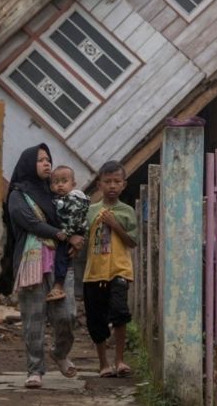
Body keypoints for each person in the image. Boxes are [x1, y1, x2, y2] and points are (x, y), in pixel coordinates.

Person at [6, 144, 85, 389]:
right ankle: (35, 369)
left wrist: (77, 238)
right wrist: (63, 235)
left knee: (67, 315)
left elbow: (74, 219)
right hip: (31, 261)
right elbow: (29, 222)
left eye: (48, 159)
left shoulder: (56, 193)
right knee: (34, 319)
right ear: (29, 164)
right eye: (40, 160)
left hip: (60, 264)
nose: (47, 163)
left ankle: (60, 353)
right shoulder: (18, 195)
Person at [83, 160, 137, 378]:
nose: (112, 186)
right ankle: (103, 363)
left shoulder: (127, 211)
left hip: (119, 270)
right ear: (99, 185)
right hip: (94, 273)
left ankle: (120, 360)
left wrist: (115, 225)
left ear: (124, 184)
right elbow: (83, 236)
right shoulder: (90, 211)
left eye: (117, 181)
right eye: (108, 181)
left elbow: (132, 241)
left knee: (120, 313)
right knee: (96, 320)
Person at [45, 165, 90, 303]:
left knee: (61, 256)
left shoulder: (72, 199)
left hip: (73, 231)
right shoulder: (62, 199)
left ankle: (58, 285)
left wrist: (67, 234)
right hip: (72, 231)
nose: (60, 185)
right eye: (56, 182)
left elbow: (74, 219)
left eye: (64, 181)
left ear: (73, 184)